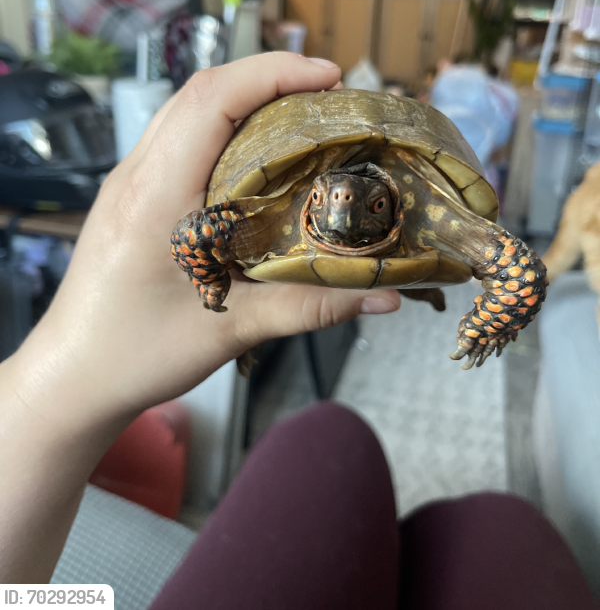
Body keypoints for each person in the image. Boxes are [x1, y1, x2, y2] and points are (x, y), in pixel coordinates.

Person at [0, 53, 596, 609]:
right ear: (312, 200)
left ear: (393, 205)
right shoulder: (263, 217)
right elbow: (194, 235)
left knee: (337, 437)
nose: (345, 208)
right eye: (331, 196)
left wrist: (51, 399)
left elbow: (517, 266)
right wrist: (210, 283)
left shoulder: (427, 199)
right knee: (503, 525)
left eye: (373, 204)